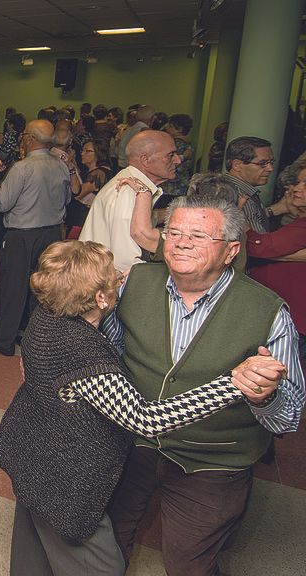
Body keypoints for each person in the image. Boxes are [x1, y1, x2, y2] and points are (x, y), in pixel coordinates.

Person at [0, 240, 275, 576]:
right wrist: (232, 384)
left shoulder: (48, 313)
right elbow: (146, 418)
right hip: (61, 479)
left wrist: (107, 286)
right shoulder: (83, 355)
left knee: (32, 548)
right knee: (103, 566)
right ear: (99, 298)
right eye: (112, 278)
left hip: (31, 453)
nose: (119, 279)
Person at [104, 195, 304, 576]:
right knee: (107, 539)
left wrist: (265, 396)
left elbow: (288, 419)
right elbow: (110, 350)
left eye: (198, 235)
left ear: (230, 251)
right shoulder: (134, 281)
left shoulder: (267, 312)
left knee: (188, 562)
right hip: (132, 443)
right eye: (173, 231)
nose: (180, 242)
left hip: (214, 458)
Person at [0, 119, 71, 356]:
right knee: (41, 289)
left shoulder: (22, 168)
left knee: (13, 288)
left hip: (22, 236)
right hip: (52, 234)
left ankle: (4, 340)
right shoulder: (62, 166)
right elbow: (67, 200)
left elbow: (2, 203)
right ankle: (33, 336)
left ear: (30, 139)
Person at [79, 130, 181, 271]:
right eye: (170, 155)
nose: (178, 160)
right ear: (145, 160)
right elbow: (125, 261)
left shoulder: (132, 186)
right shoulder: (128, 192)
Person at [246, 161, 306, 358]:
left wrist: (238, 222)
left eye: (305, 184)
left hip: (293, 319)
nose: (295, 188)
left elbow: (256, 247)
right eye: (297, 182)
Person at [223, 135, 275, 233]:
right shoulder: (240, 195)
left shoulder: (231, 187)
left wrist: (279, 208)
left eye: (271, 162)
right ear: (237, 165)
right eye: (262, 163)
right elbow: (259, 243)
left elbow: (253, 217)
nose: (270, 168)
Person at [65, 140, 113, 238]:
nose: (82, 153)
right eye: (82, 150)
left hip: (83, 218)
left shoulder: (99, 173)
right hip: (80, 216)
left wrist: (70, 168)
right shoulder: (92, 170)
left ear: (99, 154)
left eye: (88, 151)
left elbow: (78, 193)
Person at [161, 114, 195, 198]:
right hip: (182, 185)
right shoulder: (188, 143)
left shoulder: (176, 144)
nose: (166, 127)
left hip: (172, 187)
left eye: (170, 126)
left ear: (179, 129)